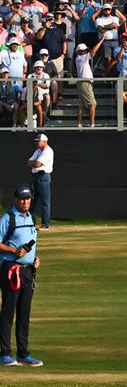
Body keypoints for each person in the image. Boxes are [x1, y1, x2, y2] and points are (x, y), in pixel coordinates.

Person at [0, 185, 40, 367]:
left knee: (24, 313)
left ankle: (23, 353)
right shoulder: (8, 218)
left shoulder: (31, 218)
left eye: (28, 198)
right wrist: (13, 250)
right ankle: (5, 353)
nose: (25, 201)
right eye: (22, 198)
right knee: (8, 312)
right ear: (16, 199)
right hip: (11, 269)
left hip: (28, 271)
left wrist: (36, 259)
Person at [27, 133, 53, 229]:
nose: (36, 143)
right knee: (32, 201)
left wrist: (34, 163)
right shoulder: (38, 150)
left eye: (38, 141)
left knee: (45, 202)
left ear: (45, 141)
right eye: (36, 141)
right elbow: (28, 163)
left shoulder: (48, 151)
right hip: (35, 177)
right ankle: (30, 223)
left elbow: (37, 164)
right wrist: (35, 163)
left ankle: (45, 224)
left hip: (43, 177)